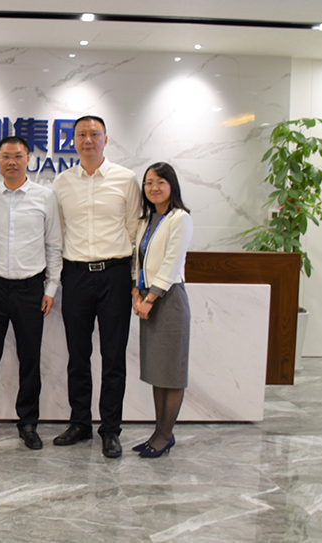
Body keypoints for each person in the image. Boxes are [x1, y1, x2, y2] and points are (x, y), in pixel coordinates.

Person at [52, 115, 141, 458]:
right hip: (76, 275)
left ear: (106, 139)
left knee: (113, 356)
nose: (87, 140)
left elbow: (134, 230)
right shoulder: (62, 182)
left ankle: (111, 430)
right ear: (73, 141)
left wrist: (133, 279)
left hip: (114, 274)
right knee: (78, 355)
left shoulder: (125, 179)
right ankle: (80, 423)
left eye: (94, 134)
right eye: (81, 135)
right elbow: (60, 231)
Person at [0, 136, 63, 450]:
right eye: (6, 156)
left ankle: (28, 424)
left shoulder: (45, 197)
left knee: (30, 359)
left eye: (18, 156)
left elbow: (54, 245)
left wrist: (51, 287)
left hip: (30, 288)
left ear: (28, 160)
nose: (12, 162)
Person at [131, 162, 193, 458]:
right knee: (158, 371)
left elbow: (171, 263)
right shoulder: (147, 219)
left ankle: (166, 435)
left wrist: (150, 299)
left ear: (172, 186)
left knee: (172, 372)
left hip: (168, 300)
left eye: (160, 182)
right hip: (146, 298)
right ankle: (158, 432)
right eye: (148, 183)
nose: (153, 188)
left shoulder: (180, 218)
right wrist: (136, 292)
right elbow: (138, 260)